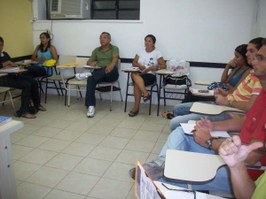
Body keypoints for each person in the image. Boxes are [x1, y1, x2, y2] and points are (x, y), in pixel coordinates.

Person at [129, 38, 266, 193]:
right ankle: (163, 163)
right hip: (231, 141)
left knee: (170, 172)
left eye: (259, 58)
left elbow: (252, 156)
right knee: (180, 131)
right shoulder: (262, 93)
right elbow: (247, 119)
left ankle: (164, 171)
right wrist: (214, 126)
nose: (253, 60)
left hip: (244, 169)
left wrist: (210, 142)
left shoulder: (258, 87)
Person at [167, 38, 264, 130]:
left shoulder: (259, 77)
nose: (247, 54)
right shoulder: (250, 72)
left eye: (251, 51)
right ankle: (184, 125)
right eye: (247, 51)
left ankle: (185, 127)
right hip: (224, 102)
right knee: (179, 107)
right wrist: (226, 92)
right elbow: (226, 83)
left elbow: (251, 106)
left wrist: (227, 101)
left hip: (229, 110)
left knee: (174, 123)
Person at [0, 36, 45, 119]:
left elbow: (11, 63)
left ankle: (37, 105)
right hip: (2, 79)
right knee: (26, 85)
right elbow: (6, 63)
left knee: (33, 82)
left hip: (11, 75)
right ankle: (23, 111)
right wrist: (5, 64)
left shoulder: (4, 54)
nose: (0, 47)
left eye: (1, 45)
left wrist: (15, 66)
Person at [128, 34, 166, 117]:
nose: (147, 43)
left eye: (149, 41)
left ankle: (135, 108)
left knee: (137, 84)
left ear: (153, 43)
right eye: (146, 41)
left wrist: (154, 68)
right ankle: (145, 94)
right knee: (134, 74)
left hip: (150, 75)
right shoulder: (140, 51)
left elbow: (164, 65)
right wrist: (139, 66)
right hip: (139, 72)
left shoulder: (157, 53)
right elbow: (134, 62)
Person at [85, 32, 119, 118]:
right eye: (100, 38)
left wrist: (111, 65)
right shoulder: (96, 50)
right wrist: (92, 63)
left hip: (112, 73)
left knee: (109, 68)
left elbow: (115, 59)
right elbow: (88, 62)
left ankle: (89, 74)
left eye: (104, 37)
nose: (102, 39)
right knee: (90, 79)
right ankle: (91, 106)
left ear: (109, 39)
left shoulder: (114, 48)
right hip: (100, 74)